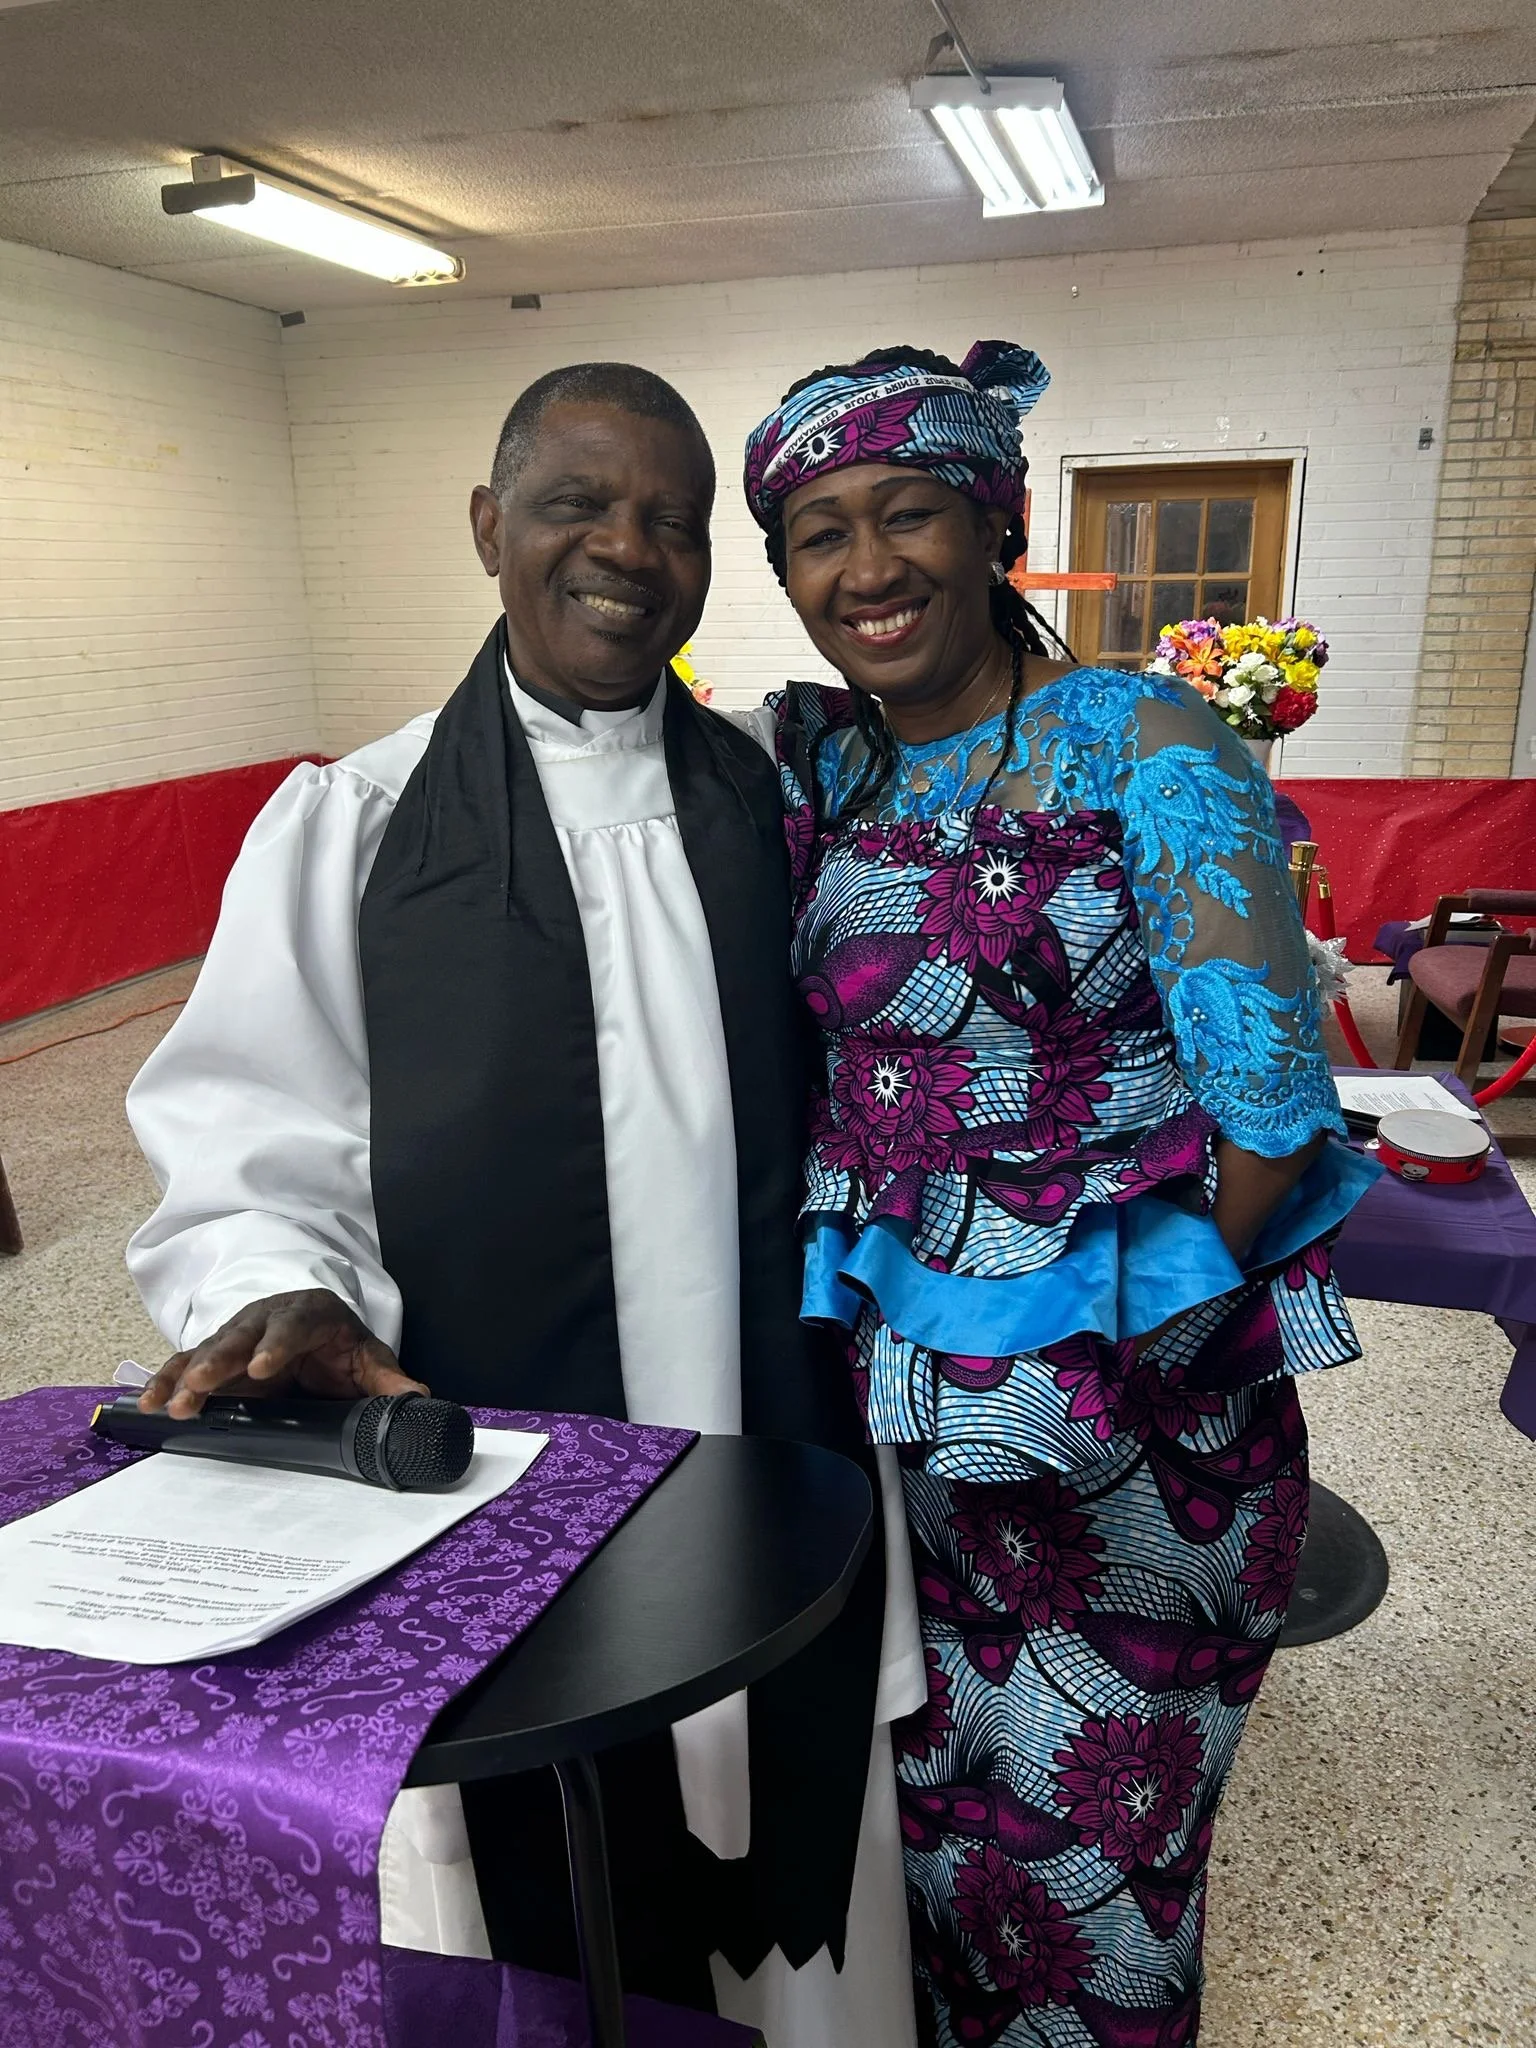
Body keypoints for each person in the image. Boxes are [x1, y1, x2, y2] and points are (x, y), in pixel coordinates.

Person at [125, 362, 923, 2047]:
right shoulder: (353, 823)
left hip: (774, 1452)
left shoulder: (777, 806)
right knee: (544, 1898)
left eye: (674, 521)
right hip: (506, 1491)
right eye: (577, 504)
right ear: (491, 527)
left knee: (808, 1893)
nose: (625, 549)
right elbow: (257, 1130)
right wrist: (284, 1280)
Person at [739, 343, 1381, 2045]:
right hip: (908, 1433)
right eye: (816, 533)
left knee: (1098, 1874)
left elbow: (1271, 1108)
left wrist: (1112, 1355)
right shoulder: (822, 776)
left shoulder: (1141, 739)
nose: (865, 569)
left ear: (996, 523)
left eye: (909, 515)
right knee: (945, 1843)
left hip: (1133, 1442)